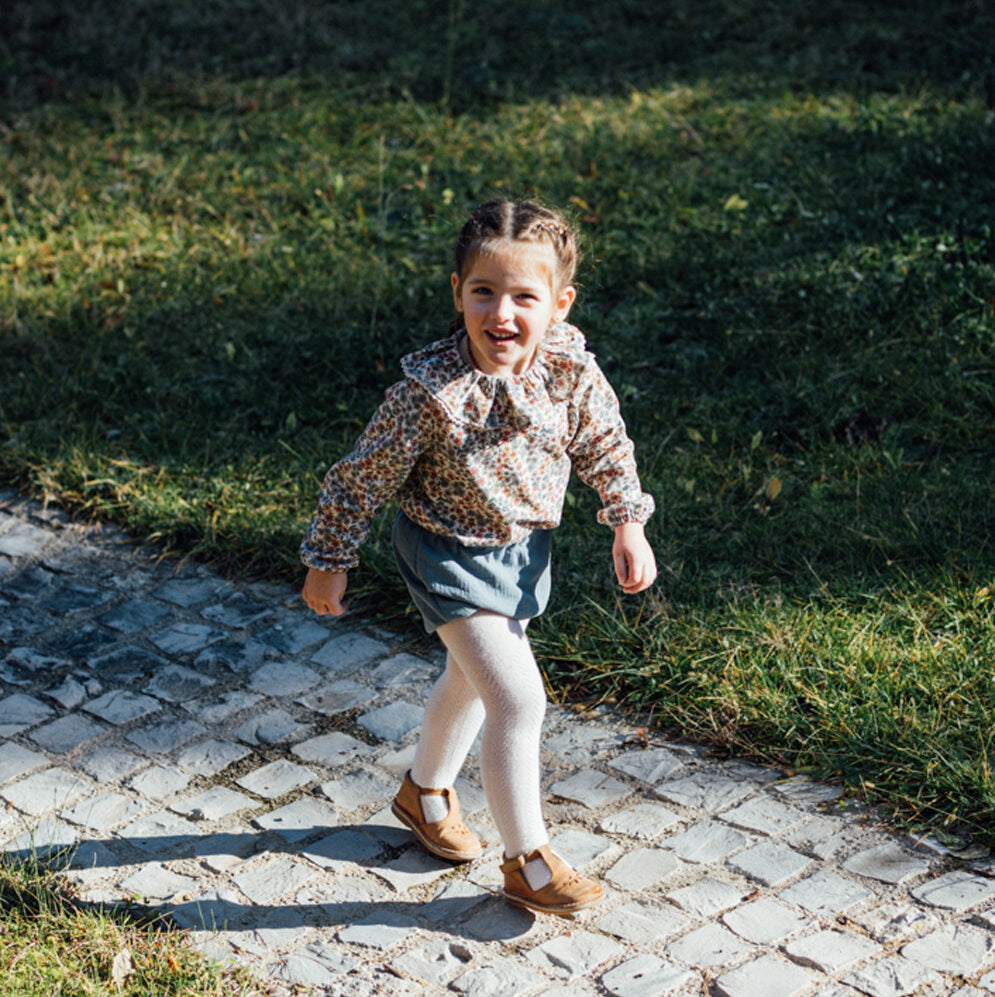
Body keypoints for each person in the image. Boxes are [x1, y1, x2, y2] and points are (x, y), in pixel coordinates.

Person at [300, 199, 656, 915]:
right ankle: (526, 858)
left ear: (558, 303)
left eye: (524, 296)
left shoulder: (569, 373)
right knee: (516, 697)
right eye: (483, 292)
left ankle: (423, 792)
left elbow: (605, 445)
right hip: (443, 552)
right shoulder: (429, 393)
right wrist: (330, 555)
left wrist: (627, 521)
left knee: (467, 680)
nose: (502, 313)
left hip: (519, 552)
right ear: (457, 292)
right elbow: (361, 475)